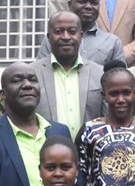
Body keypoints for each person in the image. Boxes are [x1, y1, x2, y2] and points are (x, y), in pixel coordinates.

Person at [30, 10, 105, 139]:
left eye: (72, 31)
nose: (65, 37)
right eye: (58, 31)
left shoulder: (100, 74)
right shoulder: (31, 74)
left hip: (89, 155)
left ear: (81, 35)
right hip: (45, 154)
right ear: (48, 37)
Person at [36, 0, 125, 67]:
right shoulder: (53, 39)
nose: (88, 7)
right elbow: (40, 72)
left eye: (94, 3)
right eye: (82, 1)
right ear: (70, 5)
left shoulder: (112, 42)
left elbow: (121, 77)